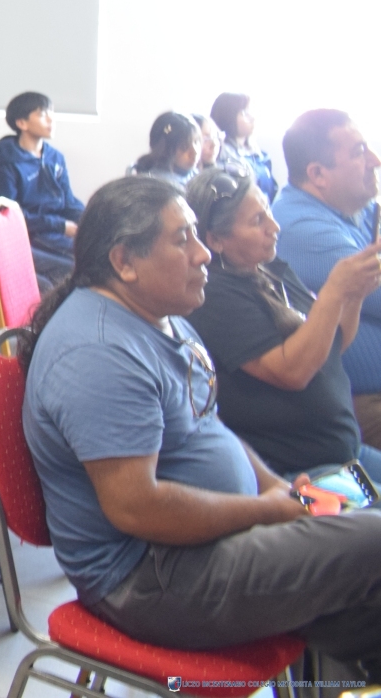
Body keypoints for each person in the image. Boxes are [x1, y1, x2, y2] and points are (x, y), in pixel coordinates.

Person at [22, 176, 381, 673]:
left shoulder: (164, 315)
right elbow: (137, 508)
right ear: (124, 262)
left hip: (205, 544)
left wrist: (275, 487)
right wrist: (264, 511)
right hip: (151, 578)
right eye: (182, 240)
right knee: (373, 542)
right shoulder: (98, 353)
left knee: (360, 550)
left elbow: (207, 425)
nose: (203, 254)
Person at [185, 168, 381, 479]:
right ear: (216, 240)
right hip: (298, 473)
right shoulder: (214, 296)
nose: (274, 227)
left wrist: (355, 293)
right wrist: (334, 292)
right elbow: (293, 372)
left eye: (267, 212)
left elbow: (333, 346)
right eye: (257, 221)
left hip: (345, 453)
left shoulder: (270, 268)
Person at [273, 109, 381, 449]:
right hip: (364, 402)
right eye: (359, 153)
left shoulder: (352, 209)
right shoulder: (301, 227)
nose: (375, 161)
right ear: (318, 174)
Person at [0, 91, 86, 270]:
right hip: (32, 233)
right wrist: (61, 226)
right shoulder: (5, 161)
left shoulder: (55, 157)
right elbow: (9, 215)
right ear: (22, 123)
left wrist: (89, 219)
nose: (51, 120)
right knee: (86, 260)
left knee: (103, 245)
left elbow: (68, 201)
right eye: (42, 115)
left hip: (57, 228)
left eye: (51, 113)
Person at [213, 93, 279, 201]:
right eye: (244, 113)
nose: (252, 118)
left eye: (251, 112)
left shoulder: (259, 154)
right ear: (228, 116)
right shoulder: (221, 153)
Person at [131, 111, 201, 188]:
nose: (195, 152)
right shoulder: (157, 184)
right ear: (165, 151)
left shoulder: (194, 174)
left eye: (196, 142)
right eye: (184, 147)